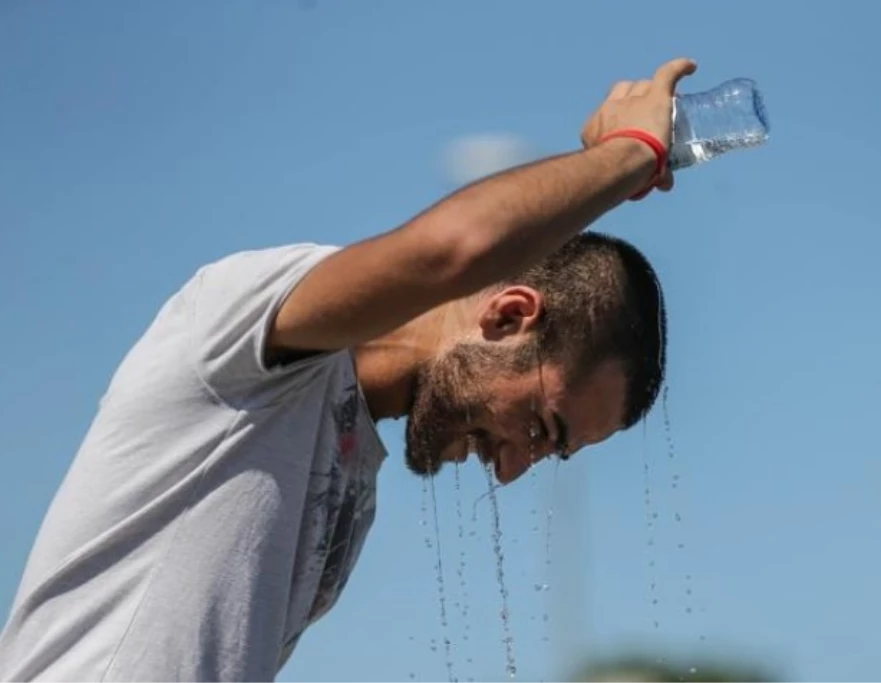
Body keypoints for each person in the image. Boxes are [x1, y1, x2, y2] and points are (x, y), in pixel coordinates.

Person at [0, 57, 697, 682]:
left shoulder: (352, 482)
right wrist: (631, 154)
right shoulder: (248, 336)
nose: (513, 468)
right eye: (542, 427)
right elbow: (454, 250)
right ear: (509, 316)